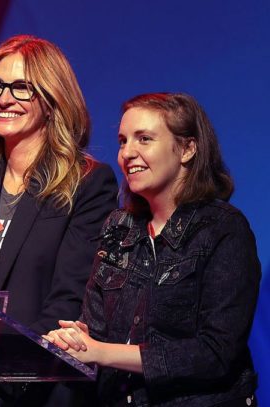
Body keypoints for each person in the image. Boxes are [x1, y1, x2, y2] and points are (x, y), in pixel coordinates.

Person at [0, 35, 118, 406]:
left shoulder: (87, 184)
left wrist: (0, 367)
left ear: (52, 100)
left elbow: (69, 299)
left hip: (40, 387)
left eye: (20, 88)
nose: (3, 98)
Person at [45, 93, 261, 406]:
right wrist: (77, 339)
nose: (127, 153)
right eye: (122, 141)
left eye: (144, 139)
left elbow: (215, 353)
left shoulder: (223, 229)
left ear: (187, 149)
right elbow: (96, 332)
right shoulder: (118, 227)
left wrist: (102, 351)